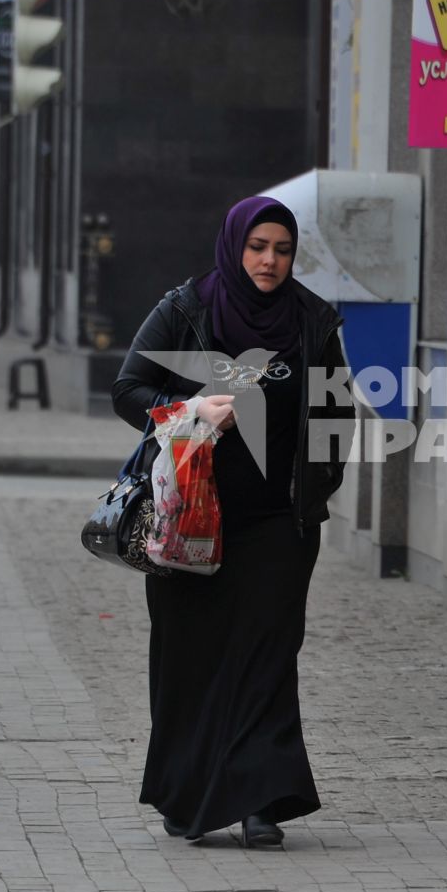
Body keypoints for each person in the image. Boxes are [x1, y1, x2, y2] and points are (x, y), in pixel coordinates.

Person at [111, 196, 353, 848]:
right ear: (234, 246)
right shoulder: (185, 308)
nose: (269, 260)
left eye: (280, 248)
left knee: (266, 659)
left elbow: (335, 412)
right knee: (188, 656)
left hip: (277, 524)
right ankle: (187, 794)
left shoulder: (312, 320)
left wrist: (316, 488)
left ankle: (259, 800)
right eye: (258, 247)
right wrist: (190, 410)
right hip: (190, 516)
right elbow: (127, 388)